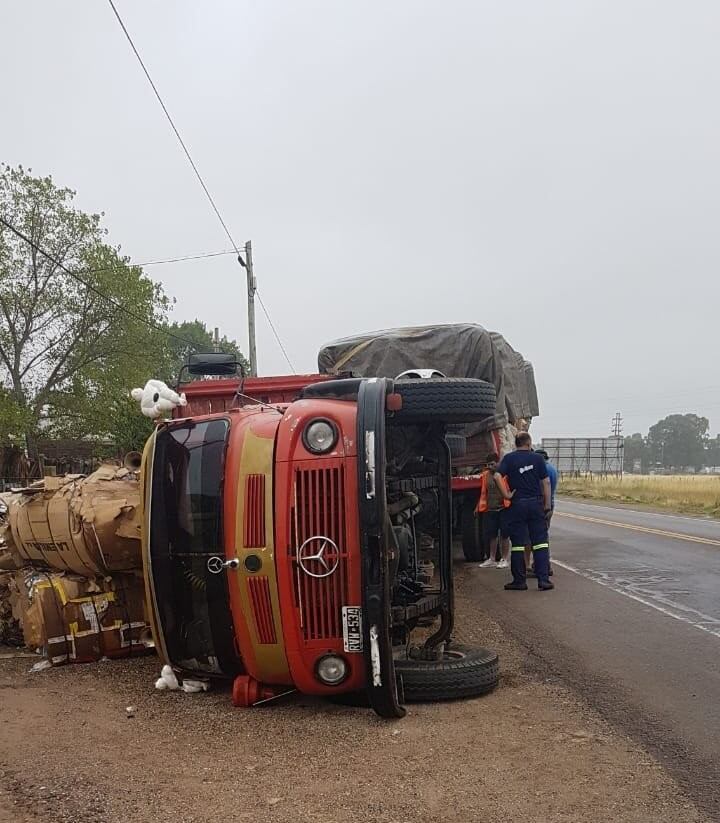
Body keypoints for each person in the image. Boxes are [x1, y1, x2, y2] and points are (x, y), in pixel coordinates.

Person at [495, 432, 554, 591]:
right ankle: (543, 580)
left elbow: (496, 476)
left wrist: (506, 494)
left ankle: (519, 581)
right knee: (540, 543)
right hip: (535, 504)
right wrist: (546, 504)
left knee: (518, 545)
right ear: (529, 443)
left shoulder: (509, 459)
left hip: (517, 504)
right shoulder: (537, 459)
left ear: (516, 443)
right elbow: (546, 482)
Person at [475, 452, 510, 569]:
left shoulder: (504, 475)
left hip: (504, 508)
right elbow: (483, 492)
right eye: (488, 464)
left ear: (498, 463)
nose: (490, 466)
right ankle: (492, 558)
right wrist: (478, 506)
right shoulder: (485, 475)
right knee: (492, 535)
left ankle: (504, 559)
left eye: (492, 464)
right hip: (490, 509)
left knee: (505, 535)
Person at [526, 448, 557, 577]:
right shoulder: (552, 468)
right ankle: (544, 565)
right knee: (543, 537)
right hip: (550, 504)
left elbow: (544, 487)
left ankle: (541, 566)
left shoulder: (542, 469)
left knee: (536, 538)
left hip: (542, 505)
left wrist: (544, 505)